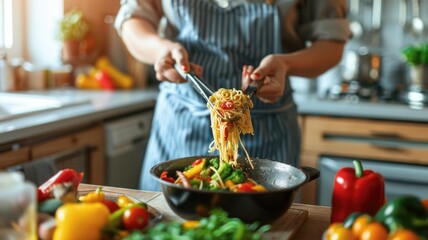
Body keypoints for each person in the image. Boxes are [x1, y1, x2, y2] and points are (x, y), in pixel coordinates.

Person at [114, 0, 350, 191]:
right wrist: (159, 49)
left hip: (268, 127)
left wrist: (286, 64)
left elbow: (331, 41)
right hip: (180, 119)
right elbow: (133, 19)